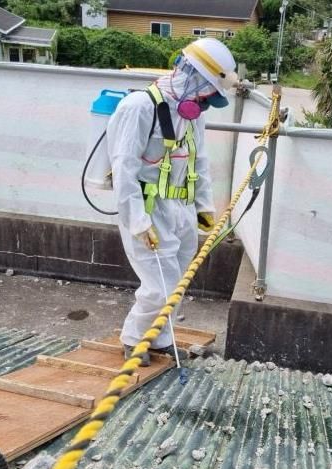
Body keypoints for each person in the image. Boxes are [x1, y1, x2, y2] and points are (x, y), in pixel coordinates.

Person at [106, 38, 238, 366]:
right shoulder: (140, 107)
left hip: (182, 209)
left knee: (177, 283)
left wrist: (204, 207)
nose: (207, 102)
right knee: (159, 287)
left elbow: (199, 160)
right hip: (148, 209)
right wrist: (138, 222)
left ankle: (161, 339)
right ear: (193, 77)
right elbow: (124, 168)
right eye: (208, 93)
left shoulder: (192, 113)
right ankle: (134, 339)